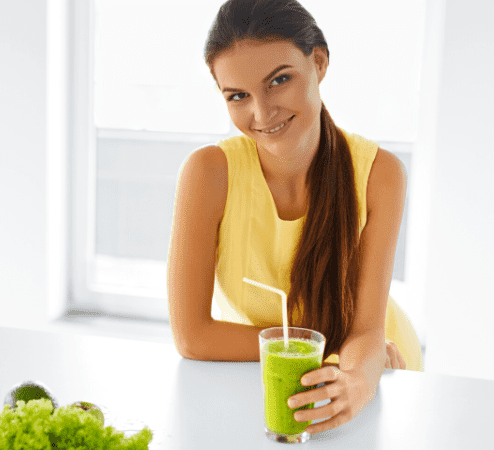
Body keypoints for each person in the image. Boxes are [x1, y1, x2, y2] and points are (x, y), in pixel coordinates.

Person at [167, 0, 423, 434]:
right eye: (238, 96)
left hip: (375, 375)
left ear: (318, 62)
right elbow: (193, 336)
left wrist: (362, 374)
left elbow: (367, 330)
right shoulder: (208, 173)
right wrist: (328, 352)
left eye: (279, 80)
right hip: (306, 369)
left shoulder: (380, 174)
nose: (262, 114)